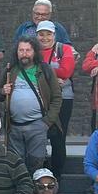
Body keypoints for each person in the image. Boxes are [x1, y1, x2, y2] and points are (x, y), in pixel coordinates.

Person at [1, 37, 61, 172]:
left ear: (34, 52)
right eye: (21, 50)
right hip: (14, 127)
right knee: (16, 164)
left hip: (37, 125)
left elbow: (57, 97)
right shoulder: (11, 70)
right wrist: (3, 90)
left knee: (36, 163)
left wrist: (47, 122)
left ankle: (36, 192)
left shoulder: (44, 70)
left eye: (28, 50)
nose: (24, 53)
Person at [37, 21, 77, 176]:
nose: (45, 37)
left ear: (54, 34)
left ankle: (57, 175)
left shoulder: (64, 49)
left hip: (63, 98)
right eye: (41, 34)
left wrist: (43, 71)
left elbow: (66, 71)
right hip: (39, 98)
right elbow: (30, 70)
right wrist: (54, 74)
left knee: (58, 137)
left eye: (48, 34)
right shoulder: (33, 50)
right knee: (39, 136)